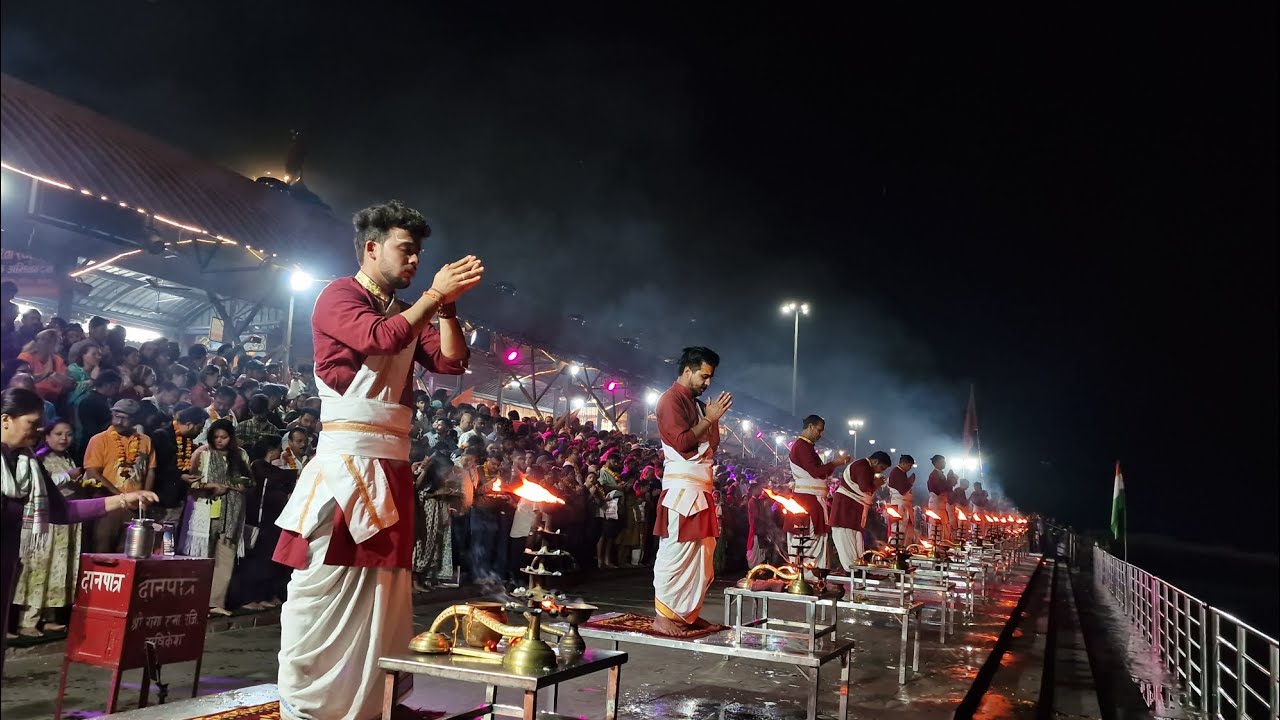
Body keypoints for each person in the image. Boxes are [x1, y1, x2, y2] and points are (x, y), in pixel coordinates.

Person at [272, 200, 481, 720]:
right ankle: (310, 704)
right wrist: (433, 295)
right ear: (371, 248)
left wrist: (449, 307)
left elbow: (453, 361)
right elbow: (379, 338)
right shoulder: (339, 295)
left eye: (418, 253)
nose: (414, 261)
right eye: (405, 250)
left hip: (389, 464)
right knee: (324, 587)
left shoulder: (408, 312)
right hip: (348, 463)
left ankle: (370, 703)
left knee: (385, 594)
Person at [1, 388, 156, 674]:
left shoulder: (28, 464)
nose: (36, 431)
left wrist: (124, 499)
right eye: (31, 424)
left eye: (39, 425)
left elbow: (64, 511)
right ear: (5, 419)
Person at [652, 346, 732, 636]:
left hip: (700, 490)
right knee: (676, 552)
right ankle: (663, 615)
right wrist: (709, 419)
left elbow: (712, 445)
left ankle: (686, 615)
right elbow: (684, 443)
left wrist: (712, 419)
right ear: (687, 371)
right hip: (683, 492)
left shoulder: (697, 405)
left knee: (702, 557)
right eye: (704, 376)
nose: (707, 383)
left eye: (710, 377)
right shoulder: (669, 400)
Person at [11, 418, 85, 638]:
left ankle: (48, 618)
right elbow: (42, 483)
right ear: (47, 436)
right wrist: (67, 477)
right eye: (59, 434)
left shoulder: (67, 458)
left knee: (59, 569)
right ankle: (28, 620)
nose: (64, 438)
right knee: (40, 570)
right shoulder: (39, 457)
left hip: (65, 524)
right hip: (47, 524)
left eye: (68, 434)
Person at [83, 399, 157, 553]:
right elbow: (93, 473)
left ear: (135, 420)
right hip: (108, 505)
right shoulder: (98, 440)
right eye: (116, 416)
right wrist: (122, 497)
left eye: (124, 418)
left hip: (135, 508)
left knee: (129, 553)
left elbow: (150, 470)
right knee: (102, 552)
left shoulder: (145, 441)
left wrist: (144, 499)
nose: (118, 421)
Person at [786, 414, 851, 571]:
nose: (820, 434)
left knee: (815, 539)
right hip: (808, 501)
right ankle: (808, 577)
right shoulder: (802, 446)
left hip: (813, 500)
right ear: (810, 427)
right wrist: (834, 463)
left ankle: (814, 576)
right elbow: (815, 471)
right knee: (808, 538)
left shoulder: (806, 446)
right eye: (819, 430)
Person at [829, 451, 891, 571]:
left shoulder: (865, 467)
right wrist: (877, 484)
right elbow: (865, 487)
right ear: (875, 461)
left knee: (856, 541)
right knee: (846, 539)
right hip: (846, 509)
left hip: (853, 510)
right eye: (881, 468)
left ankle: (858, 568)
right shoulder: (863, 466)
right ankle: (851, 570)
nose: (880, 472)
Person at [885, 455, 917, 545]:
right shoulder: (896, 472)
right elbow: (903, 490)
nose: (910, 468)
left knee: (907, 531)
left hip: (904, 504)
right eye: (909, 465)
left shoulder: (901, 472)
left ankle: (904, 549)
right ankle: (895, 550)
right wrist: (910, 482)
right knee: (898, 529)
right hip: (899, 505)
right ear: (903, 463)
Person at [926, 455, 951, 542]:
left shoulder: (941, 474)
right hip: (936, 506)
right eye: (943, 461)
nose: (945, 463)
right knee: (936, 528)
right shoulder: (934, 474)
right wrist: (949, 482)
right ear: (937, 463)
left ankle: (941, 546)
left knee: (943, 528)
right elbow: (937, 490)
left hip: (942, 506)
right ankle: (935, 547)